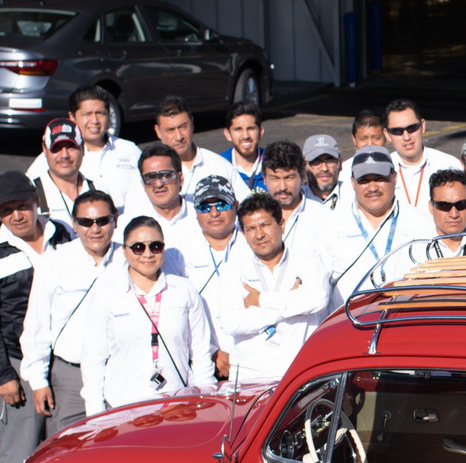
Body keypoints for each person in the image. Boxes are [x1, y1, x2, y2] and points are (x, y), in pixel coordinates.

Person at [0, 170, 73, 463]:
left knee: (67, 452)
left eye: (22, 206)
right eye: (6, 210)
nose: (16, 216)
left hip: (66, 363)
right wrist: (4, 375)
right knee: (20, 458)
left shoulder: (65, 235)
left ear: (36, 201)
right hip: (18, 366)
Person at [80, 216, 218, 412]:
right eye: (138, 247)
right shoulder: (106, 294)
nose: (147, 254)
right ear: (124, 251)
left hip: (178, 406)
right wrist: (95, 413)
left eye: (155, 246)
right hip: (123, 406)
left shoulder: (184, 290)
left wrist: (206, 402)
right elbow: (94, 359)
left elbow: (200, 351)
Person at [19, 189, 124, 434]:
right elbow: (37, 324)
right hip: (70, 378)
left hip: (120, 373)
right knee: (68, 452)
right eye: (86, 222)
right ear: (74, 225)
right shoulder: (55, 262)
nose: (95, 229)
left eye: (102, 221)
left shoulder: (132, 257)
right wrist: (38, 381)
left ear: (115, 220)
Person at [219, 194, 331, 387]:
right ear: (244, 234)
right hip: (249, 379)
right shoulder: (233, 268)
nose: (259, 234)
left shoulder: (307, 259)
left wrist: (261, 300)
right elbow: (231, 323)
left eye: (265, 225)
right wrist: (292, 302)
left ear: (281, 224)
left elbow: (318, 299)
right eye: (251, 228)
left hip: (299, 375)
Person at [331, 147, 434, 293]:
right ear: (353, 183)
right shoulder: (329, 227)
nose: (372, 187)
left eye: (380, 178)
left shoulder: (422, 223)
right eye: (364, 180)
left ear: (395, 178)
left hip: (403, 314)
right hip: (348, 315)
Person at [181, 175, 246, 378]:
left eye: (222, 204)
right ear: (195, 212)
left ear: (235, 205)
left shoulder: (253, 243)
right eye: (205, 207)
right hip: (205, 362)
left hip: (253, 358)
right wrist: (213, 352)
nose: (214, 213)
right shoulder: (181, 253)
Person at [67, 83, 142, 208]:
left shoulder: (130, 151)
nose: (95, 120)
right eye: (87, 114)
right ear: (72, 118)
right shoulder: (59, 157)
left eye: (100, 113)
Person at [384, 97, 461, 214]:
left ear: (423, 126)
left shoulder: (449, 165)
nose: (406, 137)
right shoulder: (381, 170)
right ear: (387, 134)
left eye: (412, 128)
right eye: (397, 131)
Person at [153, 95, 239, 196]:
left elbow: (246, 207)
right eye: (170, 130)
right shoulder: (149, 174)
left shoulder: (219, 166)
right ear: (158, 131)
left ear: (192, 124)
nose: (179, 136)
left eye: (183, 127)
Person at [261, 140, 326, 254]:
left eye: (289, 178)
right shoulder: (254, 217)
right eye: (275, 178)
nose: (282, 187)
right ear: (264, 179)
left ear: (302, 176)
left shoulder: (322, 216)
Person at [135, 142, 201, 255]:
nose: (158, 184)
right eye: (150, 177)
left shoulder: (202, 218)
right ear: (143, 184)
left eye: (166, 176)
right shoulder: (129, 224)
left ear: (180, 178)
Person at [28, 120, 87, 232]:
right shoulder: (31, 194)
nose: (64, 155)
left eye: (71, 147)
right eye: (57, 148)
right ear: (44, 150)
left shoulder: (99, 190)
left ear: (83, 148)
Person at [220, 102, 266, 192]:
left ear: (260, 132)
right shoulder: (218, 167)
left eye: (251, 128)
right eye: (238, 129)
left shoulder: (276, 164)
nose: (245, 136)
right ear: (228, 134)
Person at [303, 134, 345, 210]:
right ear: (304, 165)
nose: (324, 168)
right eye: (316, 161)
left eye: (330, 160)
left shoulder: (355, 197)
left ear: (340, 164)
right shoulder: (297, 201)